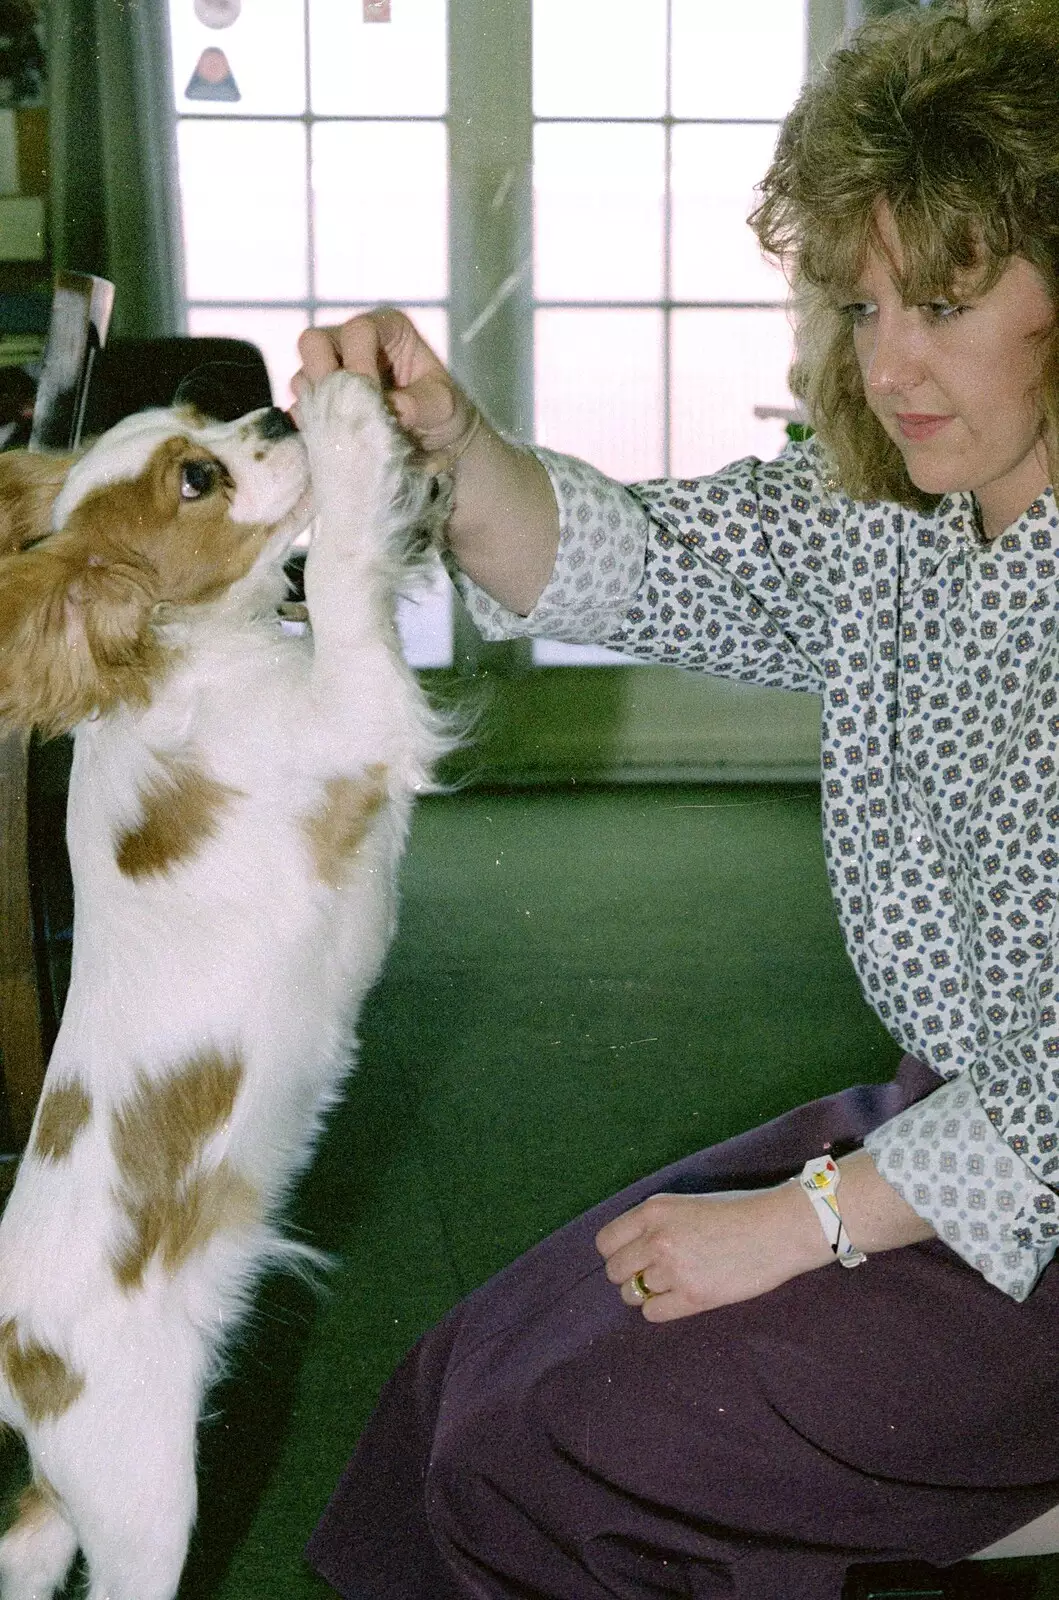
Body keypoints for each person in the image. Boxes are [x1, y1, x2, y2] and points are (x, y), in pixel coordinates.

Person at [294, 3, 1059, 1595]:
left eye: (943, 301)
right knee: (469, 1368)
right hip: (959, 1127)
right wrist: (454, 444)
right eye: (860, 306)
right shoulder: (901, 518)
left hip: (1031, 1200)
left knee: (577, 1449)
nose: (889, 363)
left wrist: (805, 1223)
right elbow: (632, 559)